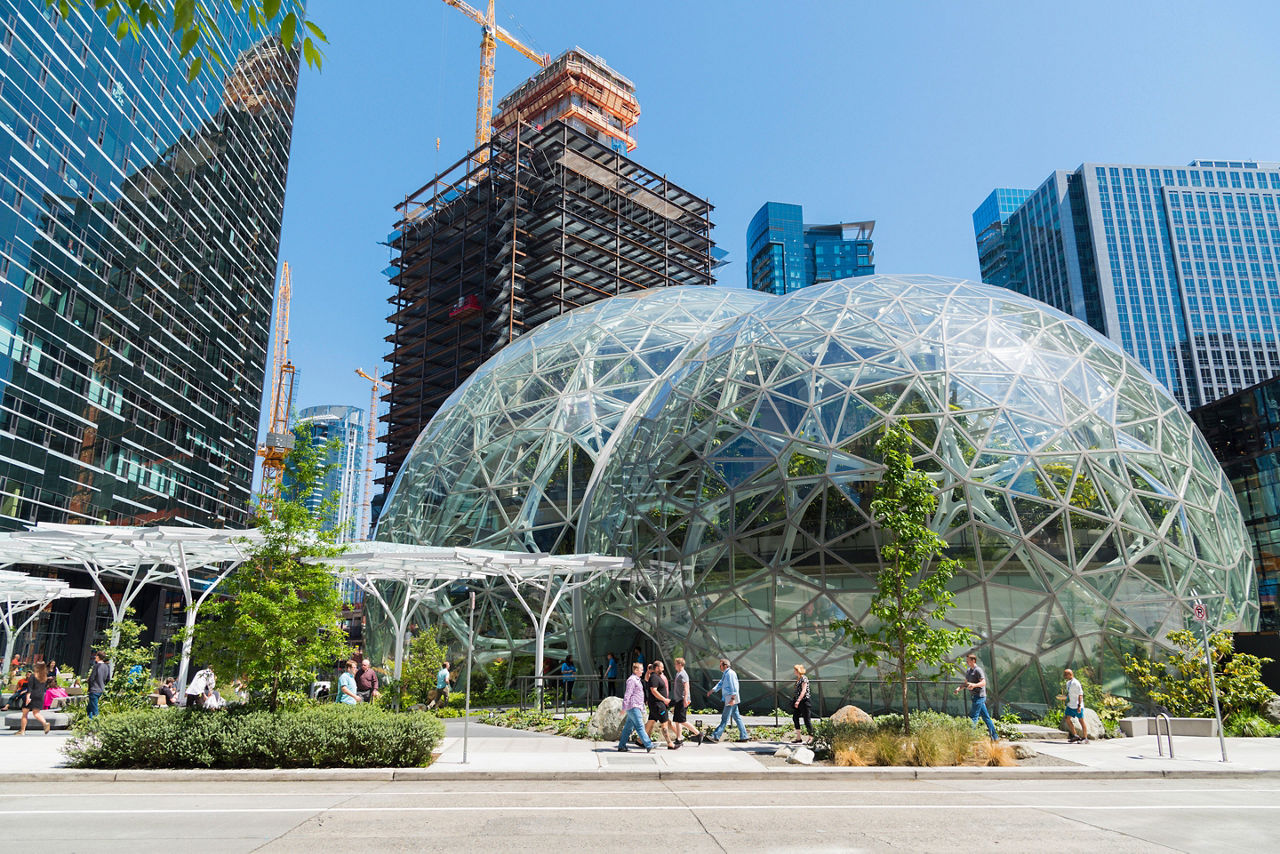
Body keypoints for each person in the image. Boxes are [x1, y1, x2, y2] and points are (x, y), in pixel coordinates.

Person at [954, 652, 998, 740]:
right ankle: (995, 737)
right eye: (966, 661)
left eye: (968, 661)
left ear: (973, 661)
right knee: (986, 718)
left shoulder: (978, 670)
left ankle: (970, 737)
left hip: (980, 696)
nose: (967, 663)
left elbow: (983, 683)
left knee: (974, 716)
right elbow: (966, 683)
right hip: (974, 696)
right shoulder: (968, 671)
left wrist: (974, 685)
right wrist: (959, 688)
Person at [706, 657, 750, 743]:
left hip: (731, 698)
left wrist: (733, 698)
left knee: (724, 718)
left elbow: (734, 687)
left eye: (720, 665)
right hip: (730, 698)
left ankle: (715, 736)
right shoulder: (726, 674)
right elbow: (721, 683)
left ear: (725, 665)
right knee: (737, 717)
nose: (719, 667)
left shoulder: (730, 674)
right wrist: (712, 690)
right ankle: (744, 736)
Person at [616, 662, 655, 753]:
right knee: (640, 726)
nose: (642, 671)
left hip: (635, 706)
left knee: (628, 728)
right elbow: (628, 694)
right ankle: (649, 745)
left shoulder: (637, 680)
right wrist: (624, 708)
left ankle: (621, 746)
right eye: (641, 669)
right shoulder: (632, 680)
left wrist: (643, 707)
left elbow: (638, 695)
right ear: (636, 670)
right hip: (633, 707)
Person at [645, 660, 677, 749]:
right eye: (662, 667)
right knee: (665, 723)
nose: (663, 668)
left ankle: (640, 740)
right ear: (657, 668)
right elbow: (653, 690)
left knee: (651, 721)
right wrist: (664, 699)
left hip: (657, 703)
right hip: (658, 704)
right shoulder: (654, 677)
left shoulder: (658, 676)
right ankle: (670, 743)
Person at [670, 657, 700, 745]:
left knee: (682, 720)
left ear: (679, 664)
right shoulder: (678, 673)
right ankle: (679, 738)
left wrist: (685, 699)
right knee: (677, 720)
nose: (674, 666)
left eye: (675, 664)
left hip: (682, 700)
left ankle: (698, 734)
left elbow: (687, 687)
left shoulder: (683, 674)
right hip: (678, 699)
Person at [18, 663, 52, 734]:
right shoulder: (44, 677)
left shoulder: (33, 676)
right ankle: (45, 723)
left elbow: (30, 688)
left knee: (25, 713)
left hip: (32, 695)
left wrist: (28, 697)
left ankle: (22, 731)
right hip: (40, 696)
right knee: (36, 713)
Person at [790, 663, 815, 743]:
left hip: (804, 701)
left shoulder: (804, 678)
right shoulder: (798, 679)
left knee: (807, 719)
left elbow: (804, 690)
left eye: (795, 670)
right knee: (795, 717)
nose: (794, 672)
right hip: (799, 701)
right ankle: (798, 737)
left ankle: (811, 737)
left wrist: (798, 700)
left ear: (798, 671)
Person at [1063, 668, 1086, 743]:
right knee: (1067, 719)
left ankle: (1085, 738)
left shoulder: (1076, 683)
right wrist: (1064, 697)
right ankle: (1075, 735)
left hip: (1077, 705)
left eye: (1065, 674)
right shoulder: (1068, 683)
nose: (1064, 676)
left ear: (1070, 674)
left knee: (1081, 720)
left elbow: (1080, 694)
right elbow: (1069, 694)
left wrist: (1079, 706)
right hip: (1070, 705)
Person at [86, 650, 110, 719]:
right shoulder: (107, 667)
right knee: (89, 709)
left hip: (94, 689)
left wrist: (89, 687)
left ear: (98, 657)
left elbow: (92, 678)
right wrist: (102, 684)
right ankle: (89, 722)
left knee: (94, 709)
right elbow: (108, 679)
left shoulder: (96, 666)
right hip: (100, 689)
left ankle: (97, 723)